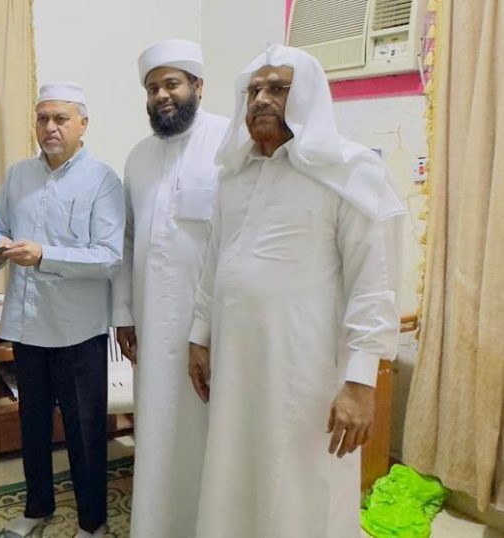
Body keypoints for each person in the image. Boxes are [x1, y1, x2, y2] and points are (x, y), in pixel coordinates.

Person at [187, 44, 404, 537]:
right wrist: (200, 335)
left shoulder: (349, 172)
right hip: (236, 366)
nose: (262, 99)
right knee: (234, 475)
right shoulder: (234, 176)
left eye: (278, 89)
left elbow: (374, 284)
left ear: (308, 96)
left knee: (301, 487)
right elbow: (214, 263)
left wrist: (360, 382)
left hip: (306, 374)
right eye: (253, 91)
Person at [110, 39, 229, 538]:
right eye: (152, 87)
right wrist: (123, 314)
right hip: (152, 322)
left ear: (198, 86)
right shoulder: (137, 158)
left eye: (172, 83)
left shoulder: (229, 142)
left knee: (210, 428)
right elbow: (127, 239)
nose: (161, 95)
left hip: (213, 322)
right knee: (157, 424)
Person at [0, 82, 124, 538]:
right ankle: (37, 508)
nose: (50, 127)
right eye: (42, 118)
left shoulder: (103, 180)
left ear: (82, 124)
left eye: (61, 118)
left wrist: (44, 255)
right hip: (27, 324)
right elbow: (2, 231)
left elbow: (108, 257)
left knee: (84, 431)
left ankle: (92, 522)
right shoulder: (18, 175)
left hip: (78, 330)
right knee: (32, 425)